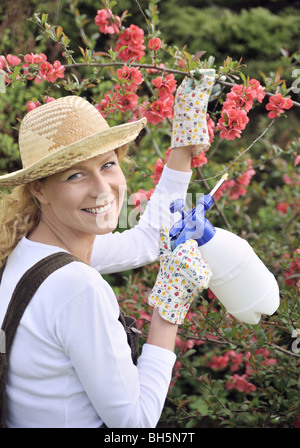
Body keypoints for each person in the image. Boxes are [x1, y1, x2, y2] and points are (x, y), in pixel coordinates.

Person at [0, 80, 213, 428]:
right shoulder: (77, 287)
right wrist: (169, 308)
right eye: (76, 175)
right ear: (39, 188)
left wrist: (184, 147)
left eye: (108, 165)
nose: (102, 190)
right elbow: (135, 423)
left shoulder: (30, 251)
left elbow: (147, 239)